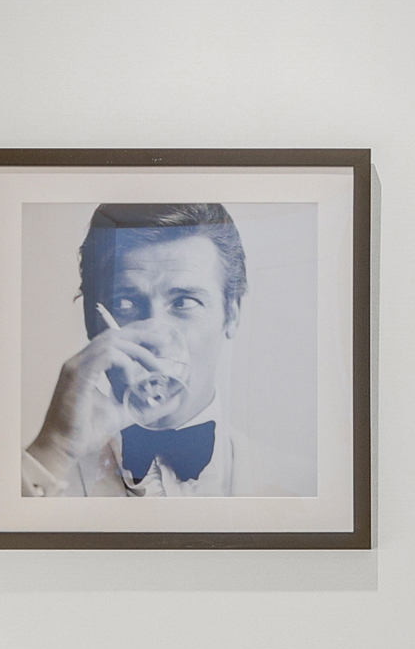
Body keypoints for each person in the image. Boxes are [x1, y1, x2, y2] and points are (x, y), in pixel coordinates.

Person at [23, 202, 250, 496]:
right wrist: (55, 449)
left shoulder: (293, 477)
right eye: (125, 303)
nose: (155, 337)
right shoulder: (39, 474)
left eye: (183, 302)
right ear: (92, 322)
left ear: (232, 315)